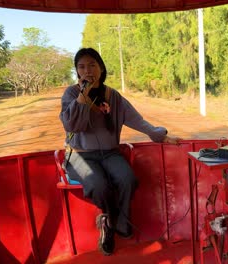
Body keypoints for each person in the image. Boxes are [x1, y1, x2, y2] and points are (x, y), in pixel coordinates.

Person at [59, 47, 182, 256]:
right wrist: (82, 96)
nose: (87, 70)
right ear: (77, 71)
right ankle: (109, 221)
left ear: (101, 68)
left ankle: (118, 223)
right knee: (98, 185)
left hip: (109, 153)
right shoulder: (71, 93)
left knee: (128, 179)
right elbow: (71, 125)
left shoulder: (112, 96)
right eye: (81, 67)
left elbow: (137, 119)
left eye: (92, 65)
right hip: (77, 155)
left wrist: (161, 136)